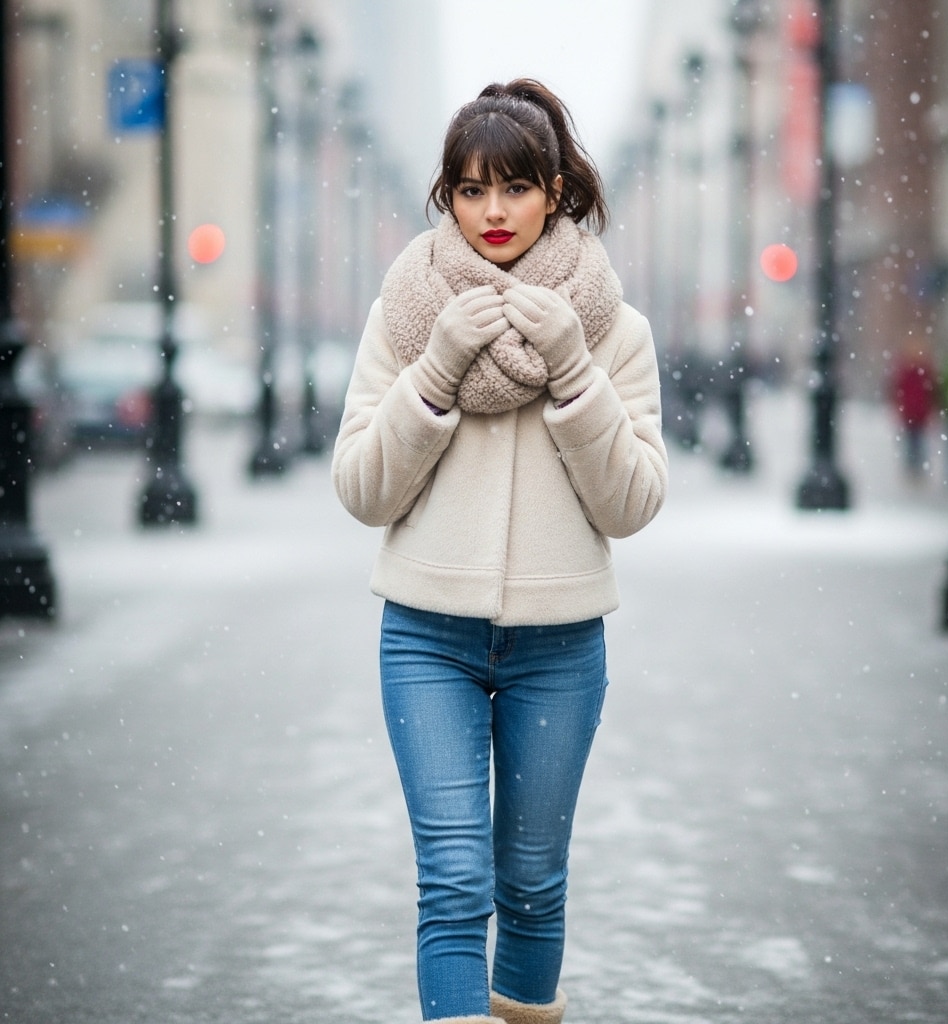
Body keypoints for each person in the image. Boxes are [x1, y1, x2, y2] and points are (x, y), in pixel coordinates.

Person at [332, 79, 668, 1024]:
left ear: (554, 192)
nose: (492, 211)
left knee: (530, 882)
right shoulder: (405, 314)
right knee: (452, 879)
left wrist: (573, 371)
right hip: (426, 639)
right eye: (471, 189)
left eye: (515, 187)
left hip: (559, 646)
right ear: (447, 194)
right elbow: (362, 489)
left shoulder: (613, 330)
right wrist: (437, 369)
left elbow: (633, 503)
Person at [889, 339, 937, 479]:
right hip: (911, 413)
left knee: (916, 441)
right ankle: (913, 467)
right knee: (913, 441)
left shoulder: (918, 372)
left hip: (917, 413)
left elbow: (930, 393)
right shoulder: (913, 372)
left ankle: (916, 467)